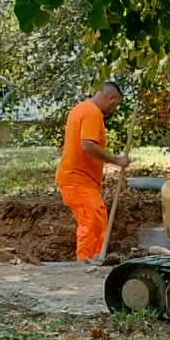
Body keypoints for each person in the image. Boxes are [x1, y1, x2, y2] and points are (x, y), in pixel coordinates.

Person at [55, 82, 130, 262]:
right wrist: (116, 160)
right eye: (116, 104)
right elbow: (87, 144)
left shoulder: (81, 109)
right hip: (77, 178)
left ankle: (96, 257)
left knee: (97, 217)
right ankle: (86, 261)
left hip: (80, 179)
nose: (114, 108)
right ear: (111, 98)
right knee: (92, 220)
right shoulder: (92, 113)